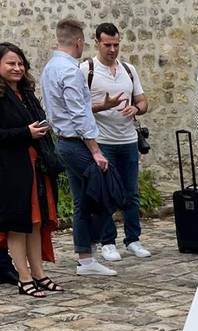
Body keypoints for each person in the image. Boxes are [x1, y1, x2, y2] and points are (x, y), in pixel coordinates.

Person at [40, 18, 115, 276]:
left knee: (84, 199)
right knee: (106, 193)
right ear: (79, 42)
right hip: (75, 144)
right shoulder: (71, 71)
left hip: (62, 141)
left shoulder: (50, 67)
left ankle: (86, 257)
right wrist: (95, 150)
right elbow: (79, 113)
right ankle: (88, 254)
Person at [0, 42, 63, 297]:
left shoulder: (26, 93)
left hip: (37, 166)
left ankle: (39, 274)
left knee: (36, 222)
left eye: (20, 63)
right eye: (10, 63)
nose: (17, 68)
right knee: (19, 224)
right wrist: (26, 133)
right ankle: (23, 277)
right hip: (11, 170)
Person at [87, 22, 151, 262]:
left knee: (131, 193)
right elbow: (78, 107)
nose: (112, 49)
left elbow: (144, 101)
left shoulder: (129, 69)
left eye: (116, 44)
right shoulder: (87, 70)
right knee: (105, 194)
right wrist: (104, 106)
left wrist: (137, 107)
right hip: (103, 141)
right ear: (97, 43)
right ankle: (107, 241)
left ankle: (133, 239)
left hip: (128, 140)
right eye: (107, 45)